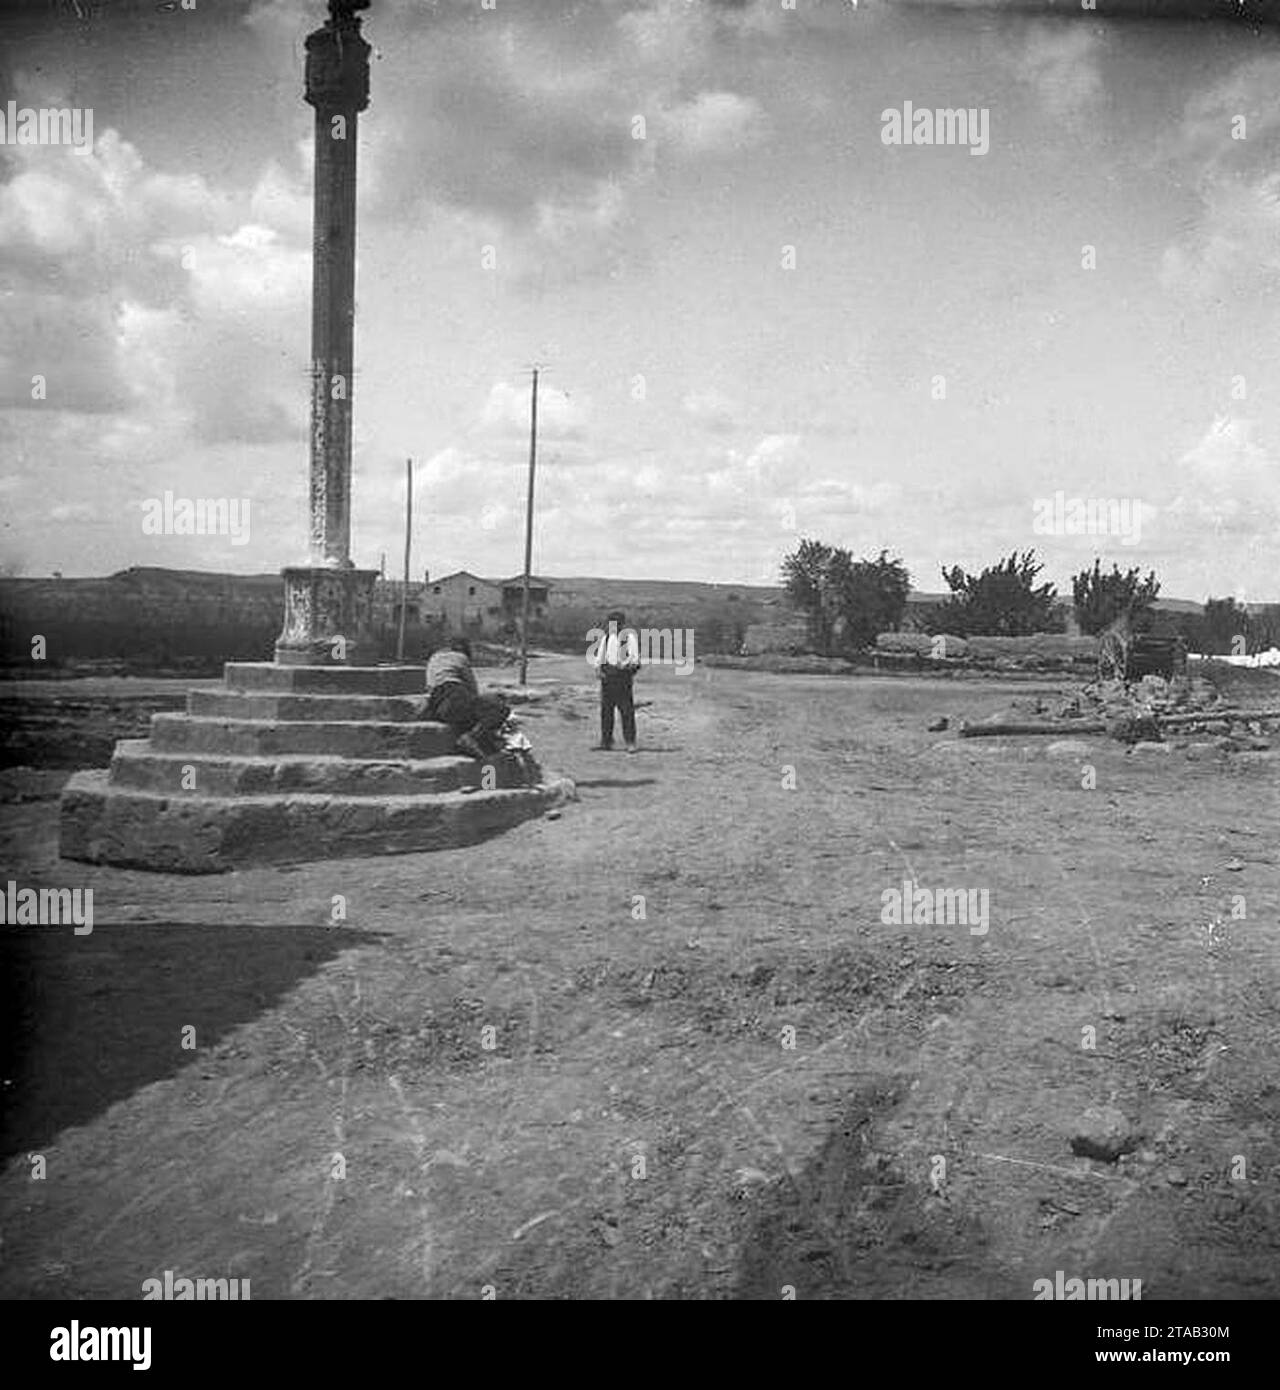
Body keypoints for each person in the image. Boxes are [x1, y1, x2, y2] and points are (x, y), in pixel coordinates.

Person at [425, 637, 510, 759]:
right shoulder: (460, 657)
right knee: (500, 708)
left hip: (438, 705)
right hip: (456, 696)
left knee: (470, 714)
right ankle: (471, 738)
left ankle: (476, 741)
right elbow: (472, 688)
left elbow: (429, 686)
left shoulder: (434, 658)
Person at [594, 610, 639, 753]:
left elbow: (635, 658)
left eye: (616, 623)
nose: (613, 626)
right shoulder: (606, 638)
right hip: (608, 676)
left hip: (622, 677)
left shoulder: (629, 638)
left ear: (622, 624)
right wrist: (599, 670)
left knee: (626, 710)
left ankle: (630, 742)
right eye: (611, 623)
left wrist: (626, 665)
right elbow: (600, 657)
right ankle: (606, 741)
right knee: (606, 710)